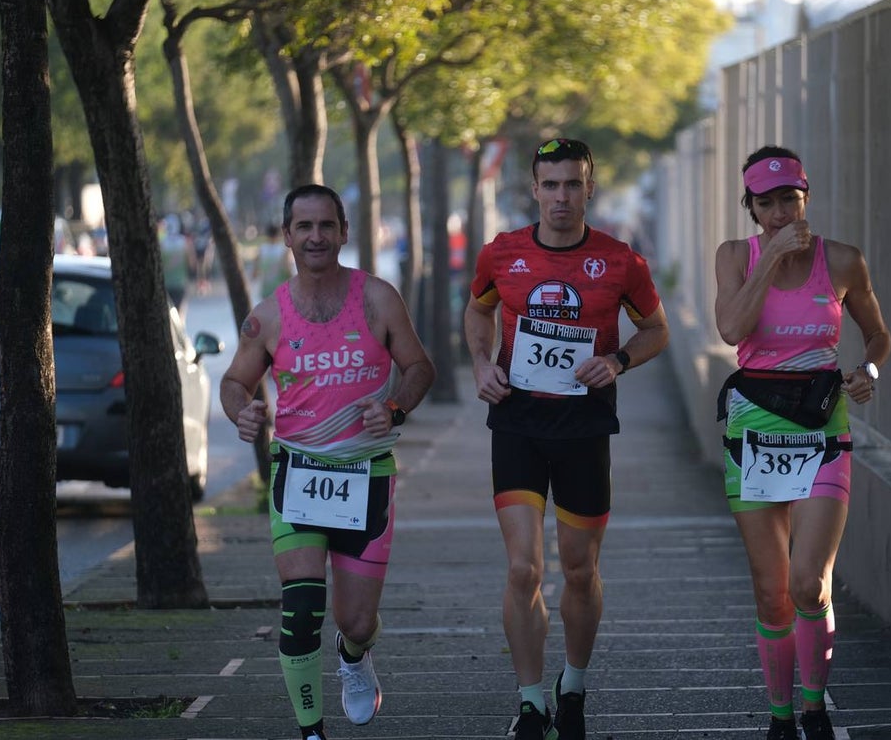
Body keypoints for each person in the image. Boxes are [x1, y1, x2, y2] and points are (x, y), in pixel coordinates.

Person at [464, 138, 669, 740]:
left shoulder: (621, 261)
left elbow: (655, 330)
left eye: (572, 184)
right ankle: (531, 702)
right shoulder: (502, 255)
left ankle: (571, 687)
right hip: (518, 423)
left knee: (579, 571)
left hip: (584, 429)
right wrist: (480, 364)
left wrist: (619, 361)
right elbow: (477, 313)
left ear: (589, 187)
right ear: (533, 190)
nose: (561, 196)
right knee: (525, 568)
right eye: (550, 185)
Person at [220, 184, 435, 740]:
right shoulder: (267, 316)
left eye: (326, 226)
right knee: (300, 608)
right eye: (303, 226)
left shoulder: (379, 298)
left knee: (355, 620)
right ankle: (311, 731)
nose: (315, 236)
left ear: (343, 232)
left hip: (366, 477)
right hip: (299, 474)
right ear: (287, 235)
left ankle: (355, 654)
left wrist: (394, 408)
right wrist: (243, 413)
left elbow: (418, 368)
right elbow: (234, 382)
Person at [713, 146, 891, 740]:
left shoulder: (842, 261)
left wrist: (867, 372)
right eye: (765, 203)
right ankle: (780, 715)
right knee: (771, 593)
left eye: (789, 199)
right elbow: (733, 329)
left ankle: (814, 709)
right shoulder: (736, 257)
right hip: (755, 427)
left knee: (807, 582)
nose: (780, 212)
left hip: (821, 425)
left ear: (806, 196)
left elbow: (878, 336)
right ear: (751, 208)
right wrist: (769, 262)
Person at [255, 221, 296, 300]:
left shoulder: (261, 250)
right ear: (279, 234)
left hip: (266, 292)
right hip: (282, 292)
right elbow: (288, 269)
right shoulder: (284, 250)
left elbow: (255, 274)